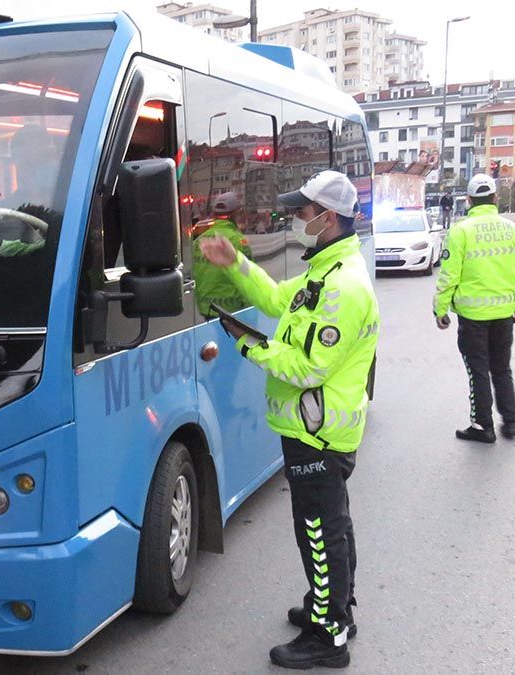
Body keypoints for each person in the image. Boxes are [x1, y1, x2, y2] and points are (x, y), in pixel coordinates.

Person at [199, 170, 379, 670]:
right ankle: (334, 608)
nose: (295, 218)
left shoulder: (344, 287)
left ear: (330, 218)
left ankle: (328, 637)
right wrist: (236, 262)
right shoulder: (323, 273)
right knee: (331, 524)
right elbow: (279, 299)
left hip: (318, 431)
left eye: (303, 212)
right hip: (311, 427)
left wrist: (247, 343)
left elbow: (308, 368)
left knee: (319, 530)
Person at [433, 174, 515, 443]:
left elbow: (448, 277)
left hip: (473, 318)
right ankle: (510, 423)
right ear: (494, 198)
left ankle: (482, 426)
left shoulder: (461, 231)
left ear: (468, 200)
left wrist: (440, 310)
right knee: (502, 369)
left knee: (477, 370)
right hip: (504, 317)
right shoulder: (513, 231)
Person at [192, 191, 252, 315]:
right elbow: (247, 277)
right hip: (232, 312)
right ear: (236, 214)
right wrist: (250, 311)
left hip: (206, 310)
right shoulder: (238, 241)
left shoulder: (198, 241)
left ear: (214, 215)